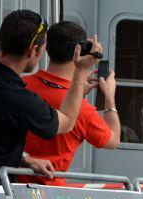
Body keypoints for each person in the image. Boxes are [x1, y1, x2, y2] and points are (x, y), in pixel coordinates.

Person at [0, 10, 100, 180]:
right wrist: (81, 70)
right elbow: (67, 122)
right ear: (34, 51)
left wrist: (23, 158)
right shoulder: (19, 99)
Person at [23, 21, 120, 184]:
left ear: (46, 49)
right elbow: (113, 140)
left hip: (6, 185)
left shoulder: (19, 85)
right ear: (81, 52)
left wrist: (77, 92)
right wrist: (110, 97)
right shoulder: (83, 110)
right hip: (50, 192)